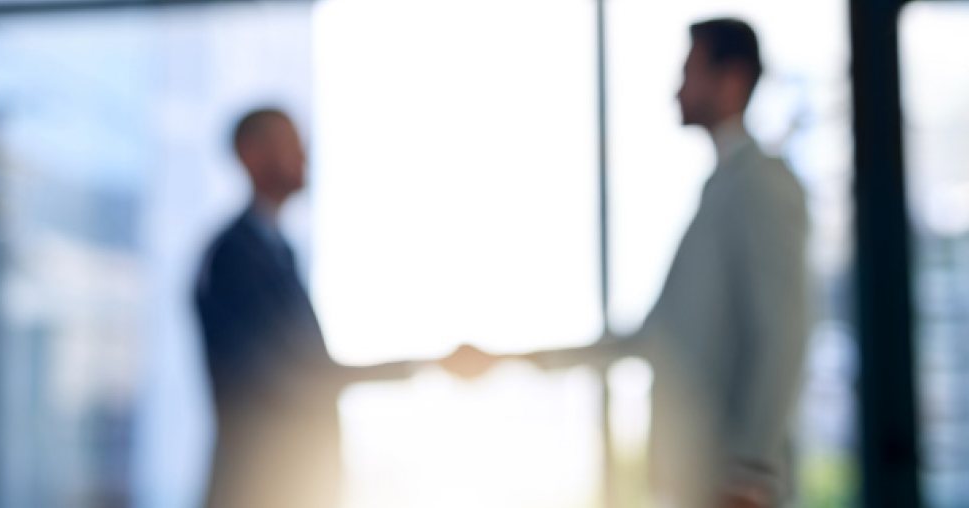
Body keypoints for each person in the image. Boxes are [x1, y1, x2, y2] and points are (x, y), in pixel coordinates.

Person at [444, 18, 810, 508]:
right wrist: (506, 361)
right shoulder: (719, 191)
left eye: (690, 72)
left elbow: (785, 330)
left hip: (737, 491)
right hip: (703, 485)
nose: (677, 90)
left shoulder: (761, 184)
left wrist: (751, 474)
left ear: (732, 80)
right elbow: (648, 340)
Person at [194, 108, 418, 508]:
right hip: (260, 488)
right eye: (290, 143)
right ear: (252, 154)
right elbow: (291, 375)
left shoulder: (276, 251)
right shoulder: (233, 257)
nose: (304, 154)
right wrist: (419, 367)